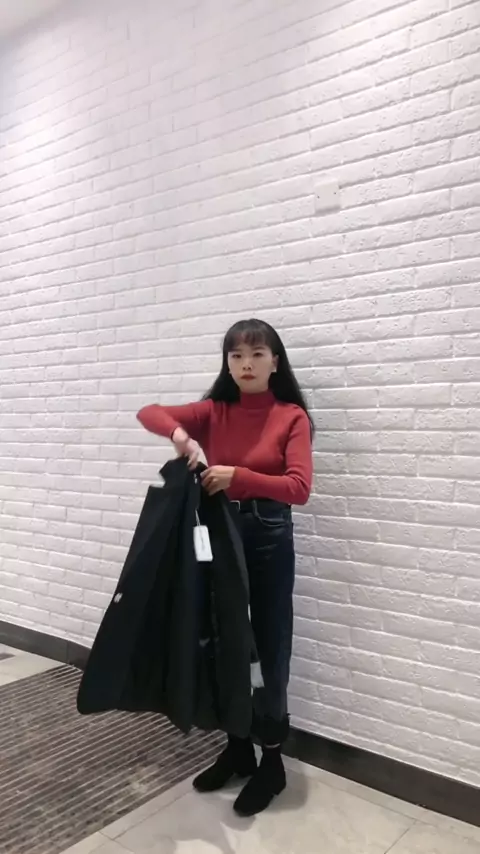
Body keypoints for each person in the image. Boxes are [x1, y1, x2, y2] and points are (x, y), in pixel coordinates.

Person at [136, 318, 314, 817]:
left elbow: (299, 488)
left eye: (257, 354)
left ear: (275, 361)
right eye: (236, 356)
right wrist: (180, 435)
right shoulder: (214, 411)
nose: (246, 364)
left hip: (268, 535)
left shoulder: (291, 417)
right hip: (219, 532)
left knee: (269, 645)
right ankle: (238, 748)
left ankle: (272, 762)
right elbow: (148, 412)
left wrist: (240, 476)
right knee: (224, 638)